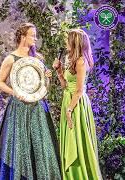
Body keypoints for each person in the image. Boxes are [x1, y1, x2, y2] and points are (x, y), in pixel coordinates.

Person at [0, 23, 61, 179]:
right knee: (19, 146)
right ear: (22, 37)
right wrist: (15, 92)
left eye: (35, 35)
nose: (35, 38)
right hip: (18, 108)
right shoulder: (11, 59)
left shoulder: (37, 59)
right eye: (32, 35)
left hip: (37, 108)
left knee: (40, 146)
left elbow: (43, 87)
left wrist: (47, 77)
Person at [53, 29, 102, 179]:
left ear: (75, 42)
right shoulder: (72, 60)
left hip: (76, 104)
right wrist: (59, 71)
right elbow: (65, 86)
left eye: (68, 40)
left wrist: (69, 109)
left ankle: (80, 175)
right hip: (68, 100)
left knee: (77, 139)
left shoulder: (81, 61)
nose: (66, 43)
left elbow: (80, 90)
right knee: (69, 139)